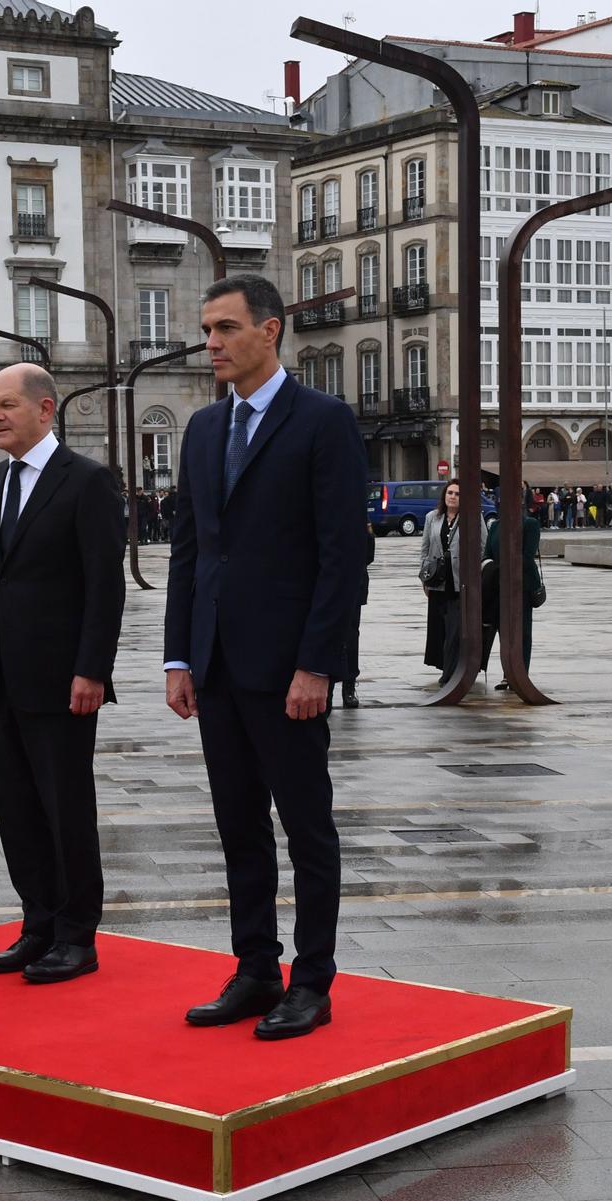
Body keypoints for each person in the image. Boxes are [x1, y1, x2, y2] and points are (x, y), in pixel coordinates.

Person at [164, 275, 365, 1040]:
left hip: (288, 673)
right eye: (207, 328)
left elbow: (342, 557)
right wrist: (178, 656)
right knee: (237, 825)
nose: (209, 342)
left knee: (307, 827)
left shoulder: (322, 422)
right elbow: (190, 550)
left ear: (269, 331)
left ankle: (311, 981)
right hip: (216, 667)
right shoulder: (204, 430)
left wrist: (318, 665)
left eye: (223, 327)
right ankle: (255, 968)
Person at [0, 364, 125, 983]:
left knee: (65, 807)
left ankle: (78, 935)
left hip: (63, 680)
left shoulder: (86, 482)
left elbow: (104, 586)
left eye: (6, 405)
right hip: (3, 675)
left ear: (46, 409)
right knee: (17, 808)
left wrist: (93, 670)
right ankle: (37, 924)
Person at [419, 480, 481, 681]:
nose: (453, 496)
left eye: (457, 494)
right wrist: (424, 577)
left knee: (456, 629)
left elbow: (482, 545)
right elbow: (425, 549)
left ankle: (450, 674)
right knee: (440, 629)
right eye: (450, 492)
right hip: (438, 581)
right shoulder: (432, 518)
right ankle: (446, 666)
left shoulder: (472, 517)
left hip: (460, 581)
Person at [481, 507, 543, 690]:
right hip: (498, 586)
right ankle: (507, 674)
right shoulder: (495, 526)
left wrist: (505, 569)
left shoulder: (529, 524)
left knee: (521, 631)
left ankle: (520, 674)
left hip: (521, 586)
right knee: (503, 631)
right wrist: (494, 569)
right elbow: (487, 554)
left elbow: (528, 555)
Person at [340, 522, 375, 709]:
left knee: (351, 636)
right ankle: (327, 686)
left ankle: (349, 686)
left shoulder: (358, 516)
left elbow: (369, 554)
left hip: (354, 583)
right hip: (327, 583)